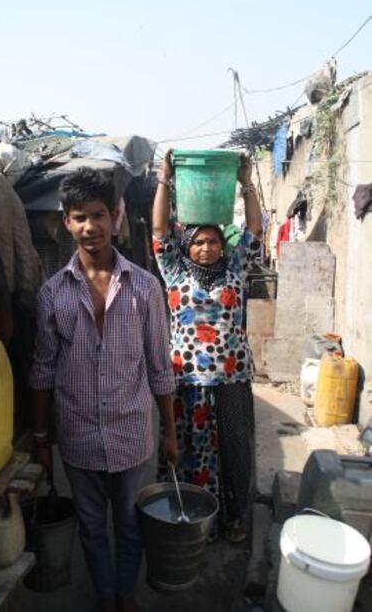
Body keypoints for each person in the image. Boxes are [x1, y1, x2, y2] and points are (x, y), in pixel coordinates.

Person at [29, 167, 177, 612]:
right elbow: (43, 371)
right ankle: (105, 596)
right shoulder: (52, 293)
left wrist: (168, 432)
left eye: (98, 214)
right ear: (66, 222)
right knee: (92, 526)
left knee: (130, 525)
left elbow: (159, 366)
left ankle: (126, 595)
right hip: (77, 435)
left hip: (132, 433)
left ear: (117, 216)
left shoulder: (146, 288)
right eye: (79, 217)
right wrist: (40, 438)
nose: (90, 226)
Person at [152, 151, 262, 542]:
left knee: (233, 452)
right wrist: (165, 178)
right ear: (188, 246)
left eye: (213, 240)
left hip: (231, 378)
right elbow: (160, 231)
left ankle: (234, 518)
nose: (206, 248)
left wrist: (246, 182)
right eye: (198, 241)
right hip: (187, 380)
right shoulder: (174, 270)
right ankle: (186, 516)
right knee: (185, 452)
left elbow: (253, 228)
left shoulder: (236, 267)